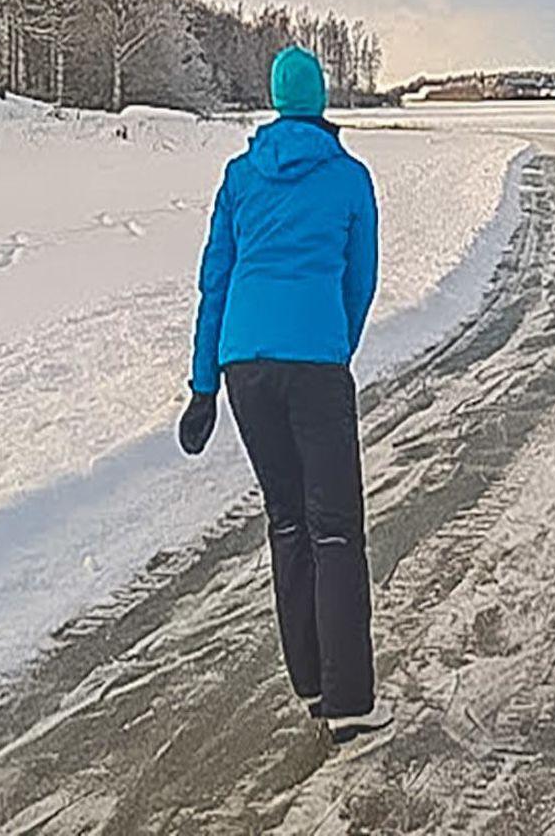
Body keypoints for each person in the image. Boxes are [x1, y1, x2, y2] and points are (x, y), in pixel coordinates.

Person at [177, 45, 392, 744]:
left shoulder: (240, 177)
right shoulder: (350, 178)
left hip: (245, 365)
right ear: (321, 98)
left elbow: (216, 280)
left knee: (287, 523)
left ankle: (310, 684)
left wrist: (204, 385)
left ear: (274, 99)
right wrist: (335, 346)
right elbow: (358, 282)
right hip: (314, 361)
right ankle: (349, 701)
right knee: (334, 528)